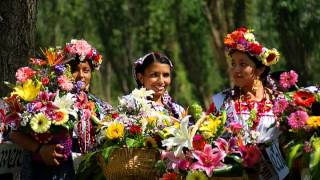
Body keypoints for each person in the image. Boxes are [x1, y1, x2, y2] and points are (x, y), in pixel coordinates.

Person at [9, 39, 113, 180]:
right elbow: (13, 133)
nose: (81, 75)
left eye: (86, 70)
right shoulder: (48, 98)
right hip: (45, 173)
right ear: (65, 71)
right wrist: (40, 149)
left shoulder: (99, 106)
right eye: (75, 70)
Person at [207, 27, 288, 179]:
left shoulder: (281, 102)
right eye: (233, 63)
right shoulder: (222, 102)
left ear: (259, 69)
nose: (235, 69)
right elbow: (206, 140)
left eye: (243, 64)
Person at [131, 51, 184, 118]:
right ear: (141, 78)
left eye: (166, 75)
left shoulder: (179, 111)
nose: (161, 81)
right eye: (154, 75)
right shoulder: (130, 106)